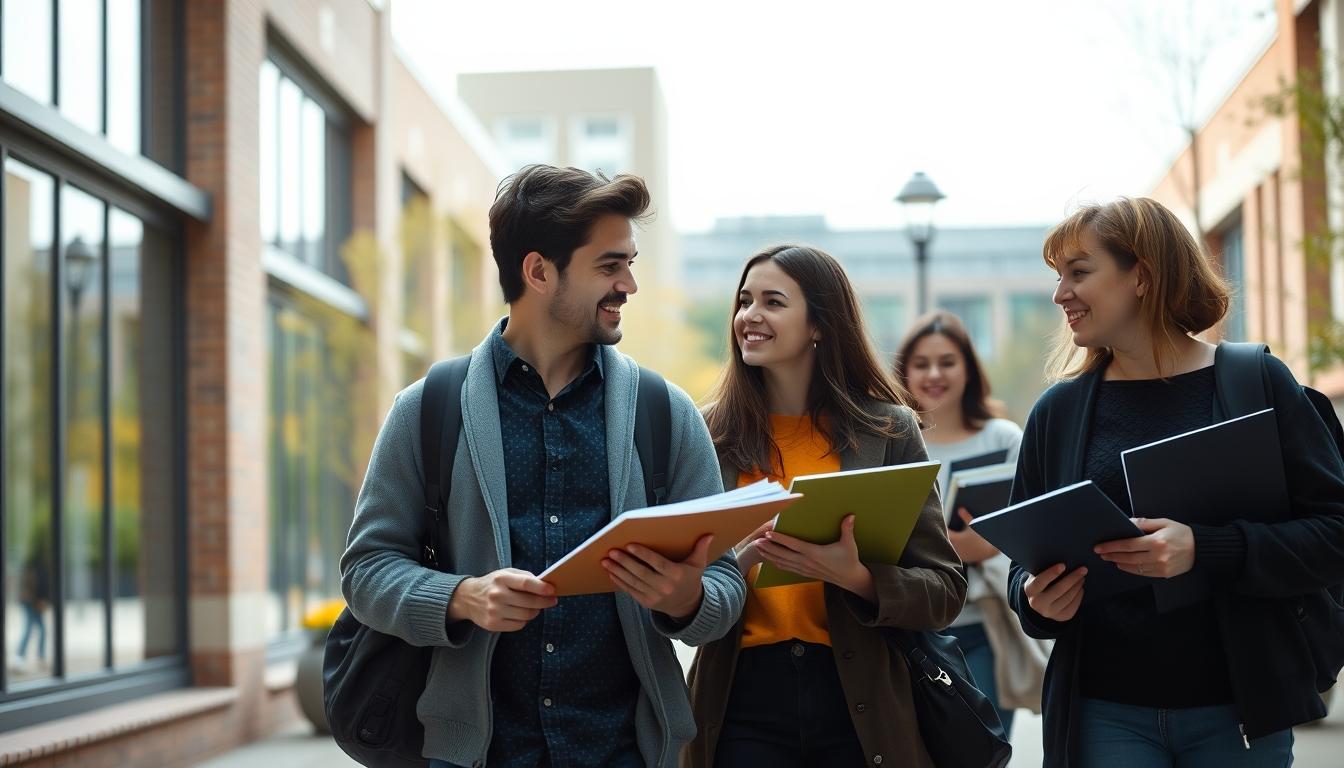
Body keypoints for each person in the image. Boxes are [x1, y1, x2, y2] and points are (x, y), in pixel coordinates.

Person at [341, 165, 745, 768]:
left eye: (630, 262)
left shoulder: (666, 414)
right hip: (473, 754)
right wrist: (462, 598)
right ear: (538, 272)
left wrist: (688, 598)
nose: (629, 284)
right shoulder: (427, 409)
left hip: (624, 752)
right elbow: (367, 570)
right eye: (610, 266)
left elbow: (727, 584)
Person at [1009, 197, 1344, 767]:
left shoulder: (1257, 381)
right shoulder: (1057, 413)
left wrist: (1205, 549)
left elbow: (1335, 534)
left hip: (1239, 714)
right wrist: (1037, 602)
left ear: (1142, 275)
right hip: (1102, 712)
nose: (1060, 294)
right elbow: (1024, 563)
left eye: (1079, 273)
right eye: (1058, 277)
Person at [684, 245, 966, 767]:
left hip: (859, 698)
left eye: (773, 301)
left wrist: (857, 577)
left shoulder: (887, 430)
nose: (750, 315)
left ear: (819, 324)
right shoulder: (705, 433)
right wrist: (742, 559)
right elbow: (681, 592)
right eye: (744, 301)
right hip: (739, 698)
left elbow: (945, 591)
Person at [894, 310, 1048, 736]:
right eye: (921, 363)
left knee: (983, 749)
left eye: (947, 361)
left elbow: (1019, 531)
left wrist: (932, 545)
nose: (934, 374)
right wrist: (962, 544)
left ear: (968, 368)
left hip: (985, 625)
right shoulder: (893, 441)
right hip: (909, 630)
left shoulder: (1003, 438)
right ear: (904, 371)